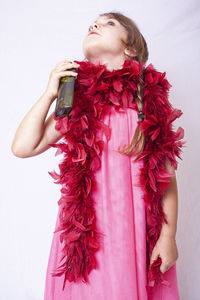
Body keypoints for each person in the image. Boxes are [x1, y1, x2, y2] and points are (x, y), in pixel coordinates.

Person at [11, 11, 184, 300]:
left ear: (130, 47)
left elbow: (166, 177)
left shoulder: (146, 101)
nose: (95, 25)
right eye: (94, 22)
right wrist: (49, 94)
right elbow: (23, 147)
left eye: (109, 23)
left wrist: (168, 236)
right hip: (85, 234)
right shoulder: (77, 101)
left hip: (132, 228)